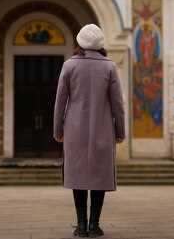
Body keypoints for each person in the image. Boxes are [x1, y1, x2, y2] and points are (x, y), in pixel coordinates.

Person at [53, 24, 125, 237]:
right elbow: (117, 104)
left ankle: (81, 225)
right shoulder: (110, 67)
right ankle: (94, 225)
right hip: (103, 131)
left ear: (79, 42)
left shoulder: (69, 66)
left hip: (74, 131)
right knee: (99, 176)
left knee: (78, 176)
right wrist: (120, 131)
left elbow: (60, 102)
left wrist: (58, 130)